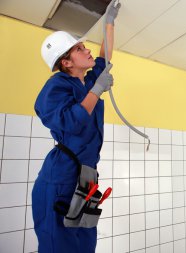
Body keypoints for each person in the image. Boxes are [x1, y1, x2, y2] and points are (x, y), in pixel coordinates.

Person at [32, 3, 120, 253]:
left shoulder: (88, 80)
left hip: (86, 175)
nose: (86, 49)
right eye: (79, 49)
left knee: (84, 240)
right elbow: (71, 121)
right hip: (60, 177)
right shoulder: (55, 86)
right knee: (58, 243)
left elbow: (104, 58)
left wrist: (110, 22)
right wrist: (97, 90)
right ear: (67, 62)